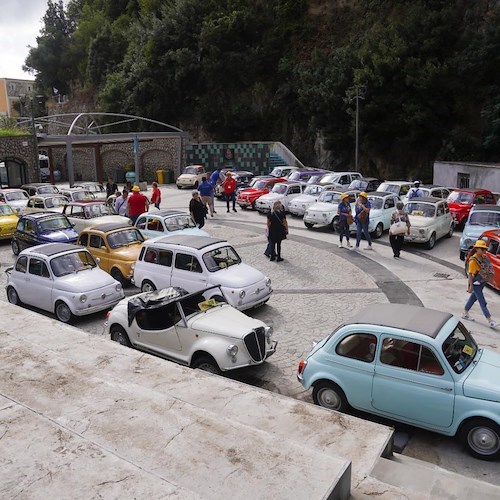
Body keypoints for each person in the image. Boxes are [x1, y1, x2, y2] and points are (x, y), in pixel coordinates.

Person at [462, 240, 498, 328]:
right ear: (477, 249)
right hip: (476, 283)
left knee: (473, 298)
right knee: (482, 302)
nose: (484, 251)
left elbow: (488, 269)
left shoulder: (484, 257)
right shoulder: (473, 261)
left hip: (482, 281)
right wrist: (470, 286)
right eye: (482, 249)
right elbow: (470, 275)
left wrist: (491, 280)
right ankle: (490, 321)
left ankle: (465, 313)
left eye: (485, 249)